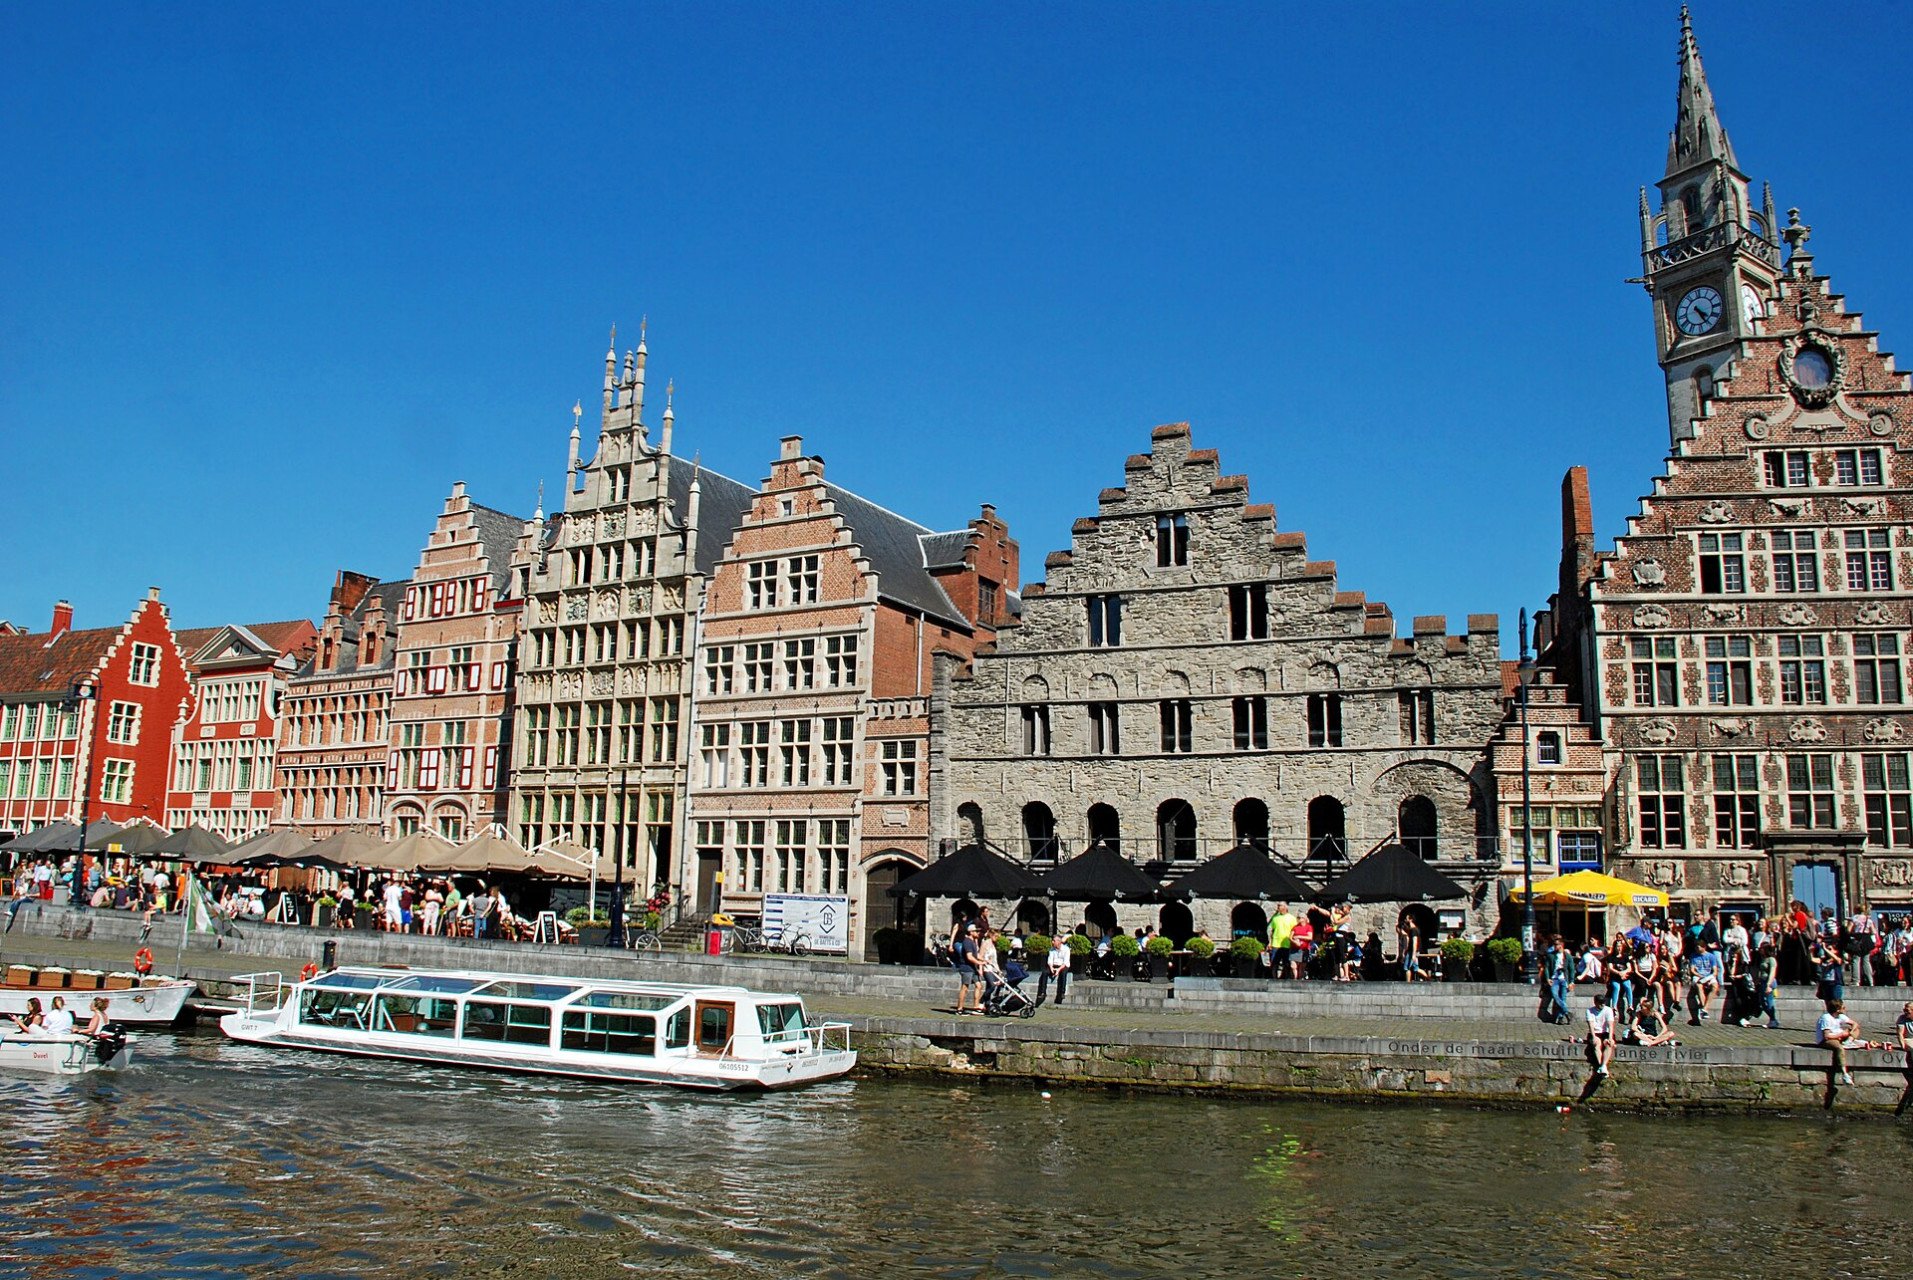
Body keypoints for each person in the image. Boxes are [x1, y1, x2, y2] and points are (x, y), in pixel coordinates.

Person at [1817, 998, 1867, 1086]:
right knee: (1840, 1048)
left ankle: (1848, 1042)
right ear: (1838, 1010)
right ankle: (1845, 1073)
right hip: (1827, 1040)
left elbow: (1855, 1024)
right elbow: (1827, 1036)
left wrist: (1851, 1032)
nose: (1845, 1008)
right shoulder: (1826, 1018)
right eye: (1843, 1007)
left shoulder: (1841, 1016)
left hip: (1839, 1036)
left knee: (1856, 1030)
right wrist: (1842, 1035)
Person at [951, 923, 983, 1016]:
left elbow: (976, 955)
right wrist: (979, 963)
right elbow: (970, 957)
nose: (978, 933)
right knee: (965, 987)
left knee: (979, 985)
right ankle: (959, 1009)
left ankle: (976, 1007)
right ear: (971, 932)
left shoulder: (973, 942)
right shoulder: (967, 942)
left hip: (972, 968)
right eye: (976, 931)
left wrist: (985, 960)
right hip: (966, 968)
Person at [1687, 943, 1722, 1025]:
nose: (1697, 949)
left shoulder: (1711, 956)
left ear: (1704, 947)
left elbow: (1715, 971)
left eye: (1698, 947)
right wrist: (1700, 976)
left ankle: (1704, 1009)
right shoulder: (1693, 956)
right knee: (1699, 986)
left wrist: (1707, 978)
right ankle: (1703, 1007)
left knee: (1715, 986)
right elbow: (1692, 970)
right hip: (1698, 975)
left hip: (1708, 976)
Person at [1542, 936, 1573, 1025]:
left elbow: (1571, 969)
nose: (1554, 946)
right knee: (1555, 995)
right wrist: (1548, 978)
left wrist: (1571, 982)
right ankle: (1567, 1013)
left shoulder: (1567, 956)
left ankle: (1560, 1018)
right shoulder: (1551, 955)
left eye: (1556, 944)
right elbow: (1546, 967)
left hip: (1563, 979)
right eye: (1554, 944)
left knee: (1563, 998)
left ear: (1561, 945)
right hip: (1554, 979)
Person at [1586, 990, 1617, 1077]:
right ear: (1595, 1003)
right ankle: (1602, 1066)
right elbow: (1591, 1025)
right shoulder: (1589, 1011)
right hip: (1596, 1032)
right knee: (1597, 1044)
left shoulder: (1608, 1010)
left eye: (1603, 1003)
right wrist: (1593, 1037)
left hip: (1606, 1032)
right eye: (1600, 1003)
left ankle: (1602, 1067)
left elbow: (1610, 1025)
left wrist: (1610, 1038)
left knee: (1608, 1044)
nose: (1602, 1005)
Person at [1035, 933, 1071, 1007]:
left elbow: (1065, 962)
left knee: (1063, 973)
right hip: (1054, 965)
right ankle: (1043, 992)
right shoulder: (1052, 949)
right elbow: (1050, 961)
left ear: (1059, 942)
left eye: (1054, 941)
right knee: (1045, 972)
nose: (1052, 942)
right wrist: (1051, 968)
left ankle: (1062, 993)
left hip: (1063, 966)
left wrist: (1058, 970)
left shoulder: (1066, 949)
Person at [1269, 904, 1297, 980]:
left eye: (1280, 905)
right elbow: (1272, 931)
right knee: (1274, 963)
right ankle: (1274, 978)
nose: (1278, 907)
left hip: (1287, 944)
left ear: (1285, 907)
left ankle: (1286, 978)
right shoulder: (1275, 918)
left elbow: (1295, 931)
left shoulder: (1292, 918)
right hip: (1276, 944)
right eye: (1278, 905)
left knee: (1286, 963)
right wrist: (1270, 943)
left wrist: (1293, 942)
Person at [1398, 913, 1423, 983]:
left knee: (1407, 968)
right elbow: (1410, 942)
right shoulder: (1411, 930)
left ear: (1411, 920)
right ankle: (1429, 978)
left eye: (1407, 918)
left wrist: (1413, 954)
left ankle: (1408, 984)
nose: (1405, 920)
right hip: (1410, 951)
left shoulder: (1414, 930)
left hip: (1412, 951)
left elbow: (1415, 942)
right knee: (1416, 968)